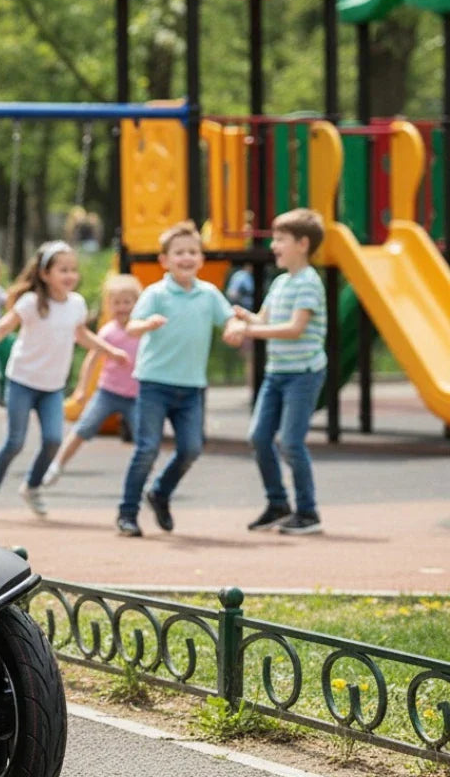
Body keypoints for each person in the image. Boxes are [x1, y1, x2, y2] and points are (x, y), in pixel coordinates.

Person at [0, 241, 130, 520]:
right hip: (22, 381)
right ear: (45, 274)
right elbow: (1, 328)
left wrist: (110, 351)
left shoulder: (76, 304)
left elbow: (81, 334)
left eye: (73, 269)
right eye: (63, 269)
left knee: (52, 440)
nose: (70, 275)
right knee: (15, 442)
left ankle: (32, 487)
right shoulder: (31, 303)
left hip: (52, 386)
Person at [117, 221, 237, 537]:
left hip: (192, 387)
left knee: (192, 448)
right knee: (147, 448)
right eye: (179, 252)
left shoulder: (208, 294)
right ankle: (127, 513)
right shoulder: (156, 293)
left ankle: (160, 492)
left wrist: (234, 330)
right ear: (165, 261)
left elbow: (229, 321)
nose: (186, 258)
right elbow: (131, 327)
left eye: (193, 252)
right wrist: (146, 325)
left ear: (201, 258)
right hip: (154, 383)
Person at [224, 209, 327, 535]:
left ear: (302, 243)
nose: (274, 245)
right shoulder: (281, 282)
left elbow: (295, 328)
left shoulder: (309, 283)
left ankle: (308, 513)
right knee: (259, 436)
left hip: (303, 373)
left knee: (291, 442)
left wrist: (250, 332)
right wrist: (245, 318)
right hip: (277, 372)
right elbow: (265, 320)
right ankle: (278, 503)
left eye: (280, 239)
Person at [41, 274, 141, 486]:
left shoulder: (141, 331)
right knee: (83, 428)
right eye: (116, 303)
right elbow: (91, 361)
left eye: (127, 302)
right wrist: (82, 389)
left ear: (136, 303)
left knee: (145, 439)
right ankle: (57, 465)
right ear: (109, 305)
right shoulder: (108, 332)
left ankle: (145, 478)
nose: (122, 307)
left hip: (136, 396)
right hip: (108, 392)